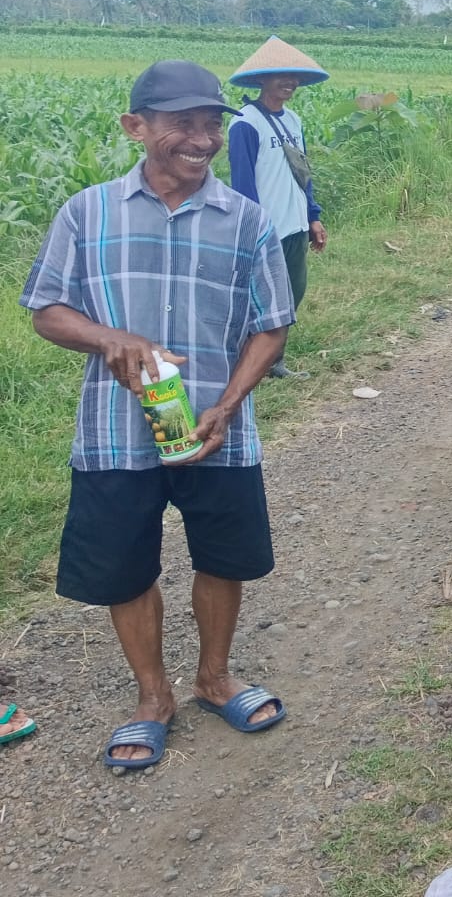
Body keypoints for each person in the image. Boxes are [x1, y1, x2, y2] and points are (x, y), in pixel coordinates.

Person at [20, 60, 294, 772]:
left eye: (210, 125)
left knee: (223, 557)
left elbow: (272, 325)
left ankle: (215, 679)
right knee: (125, 566)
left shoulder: (246, 221)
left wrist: (227, 406)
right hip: (115, 432)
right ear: (135, 127)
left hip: (215, 428)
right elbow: (46, 308)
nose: (201, 140)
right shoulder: (87, 213)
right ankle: (152, 697)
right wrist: (108, 338)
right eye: (182, 124)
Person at [228, 35, 330, 379]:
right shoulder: (245, 123)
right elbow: (243, 184)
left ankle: (273, 361)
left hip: (295, 223)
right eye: (281, 76)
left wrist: (313, 215)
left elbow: (303, 172)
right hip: (267, 227)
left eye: (294, 76)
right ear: (261, 79)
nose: (290, 82)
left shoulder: (294, 120)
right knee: (263, 298)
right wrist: (254, 227)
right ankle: (251, 360)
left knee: (292, 293)